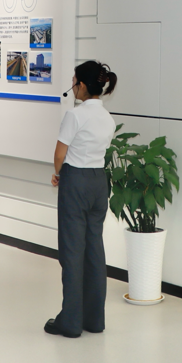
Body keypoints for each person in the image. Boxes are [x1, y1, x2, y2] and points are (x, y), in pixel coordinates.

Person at [45, 60, 118, 338]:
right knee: (94, 251)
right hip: (99, 182)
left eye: (75, 82)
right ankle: (94, 320)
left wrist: (58, 173)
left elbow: (60, 154)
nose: (73, 87)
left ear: (83, 85)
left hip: (76, 181)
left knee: (72, 252)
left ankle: (71, 322)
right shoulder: (108, 118)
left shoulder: (74, 116)